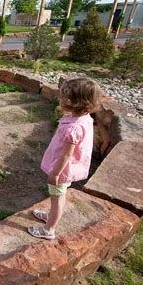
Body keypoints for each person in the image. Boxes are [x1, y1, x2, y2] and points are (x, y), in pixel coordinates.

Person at [28, 78, 102, 240]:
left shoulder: (73, 128)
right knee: (57, 196)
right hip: (68, 168)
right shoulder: (84, 118)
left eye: (63, 98)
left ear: (75, 103)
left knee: (57, 199)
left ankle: (49, 230)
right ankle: (51, 216)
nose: (59, 100)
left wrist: (55, 173)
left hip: (62, 170)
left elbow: (67, 154)